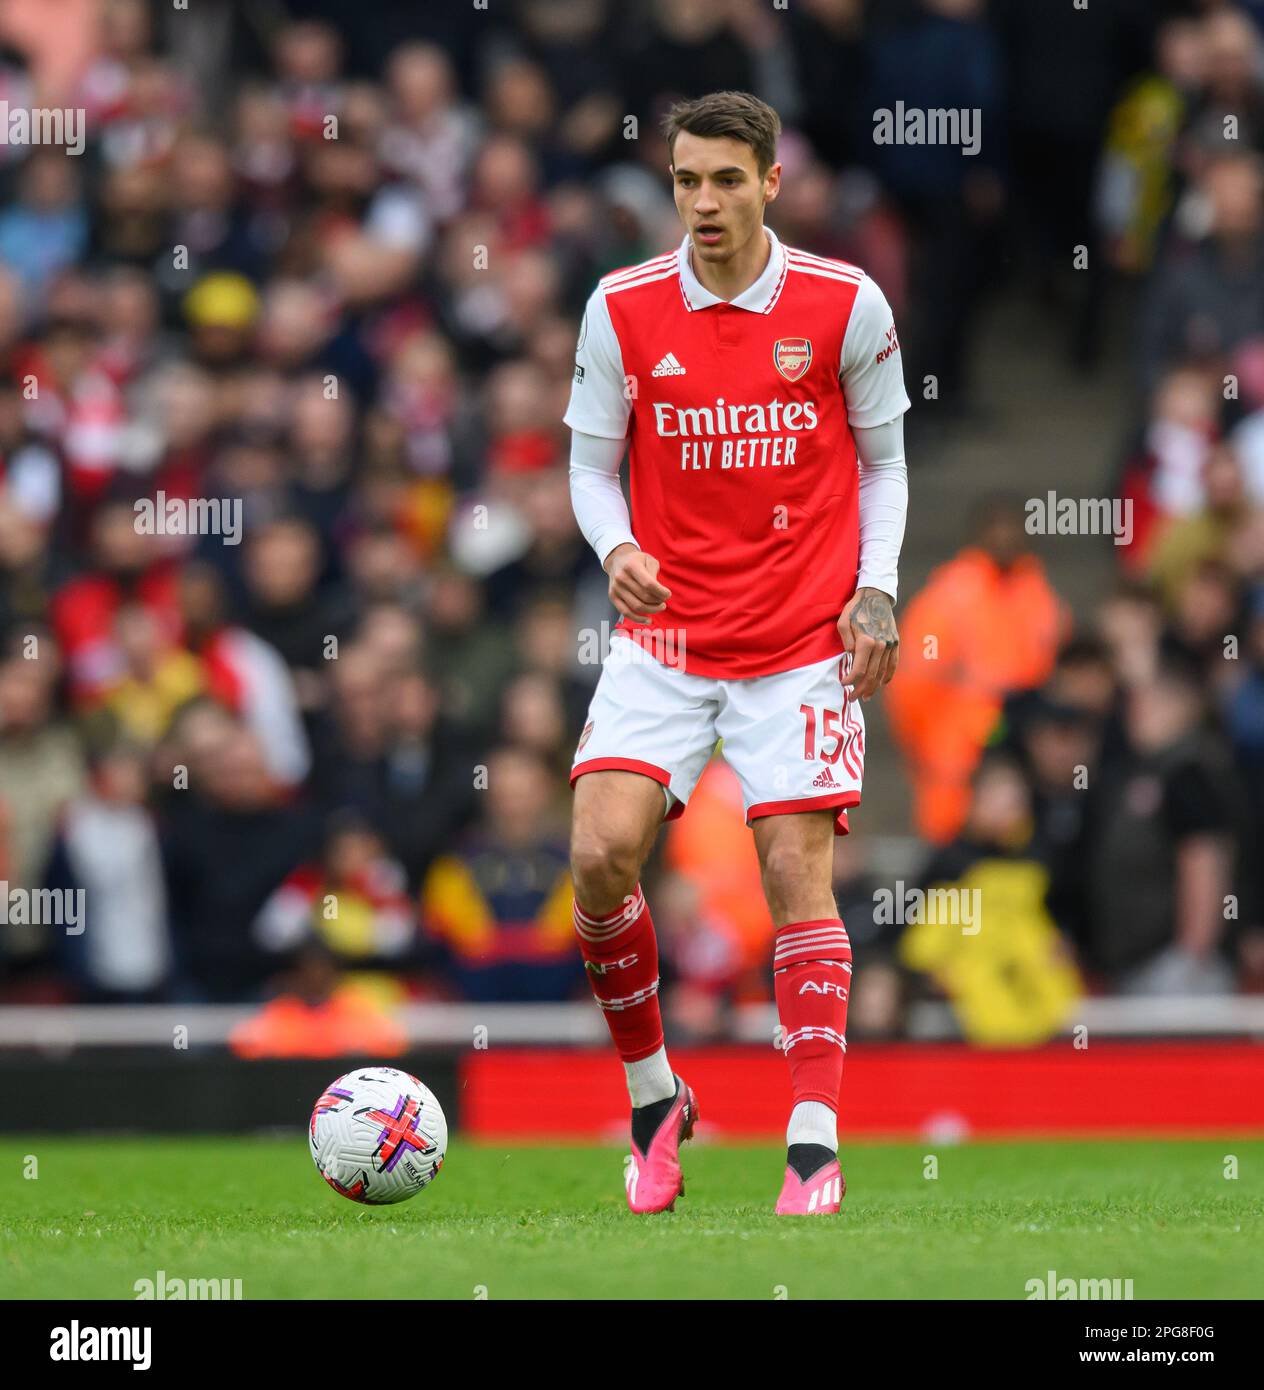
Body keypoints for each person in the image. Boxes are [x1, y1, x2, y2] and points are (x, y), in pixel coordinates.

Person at [564, 91, 909, 1215]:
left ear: (770, 182)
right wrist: (614, 543)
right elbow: (587, 465)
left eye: (724, 179)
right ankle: (655, 1096)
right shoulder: (620, 307)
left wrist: (875, 589)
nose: (703, 201)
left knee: (791, 875)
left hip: (800, 638)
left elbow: (882, 467)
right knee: (599, 855)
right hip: (664, 636)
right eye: (684, 181)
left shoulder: (842, 302)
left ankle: (813, 1140)